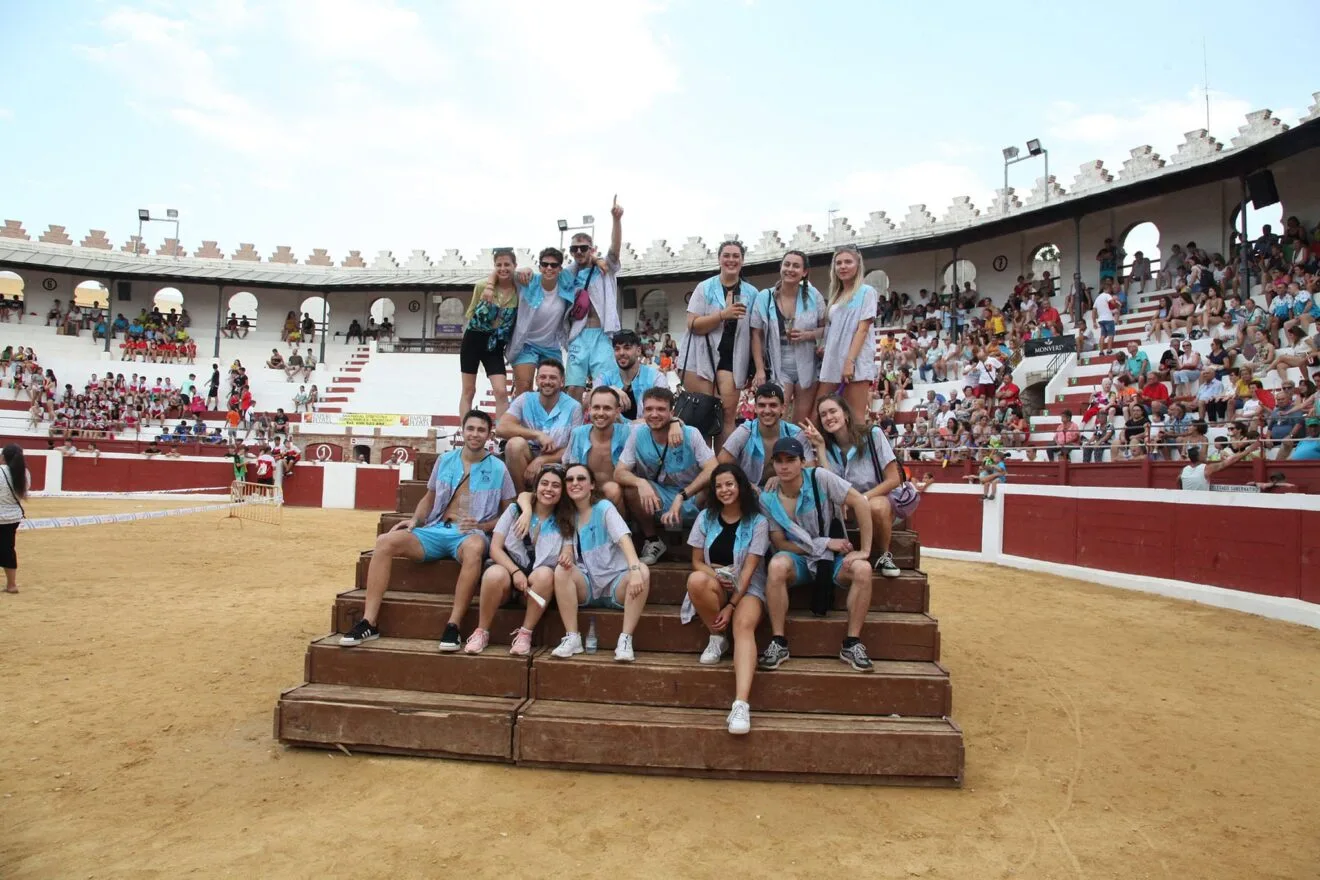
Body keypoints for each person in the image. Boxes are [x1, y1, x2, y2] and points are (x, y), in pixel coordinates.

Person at [339, 411, 515, 651]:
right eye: (470, 428)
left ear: (489, 435)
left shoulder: (498, 468)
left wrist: (483, 527)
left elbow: (509, 511)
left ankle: (453, 625)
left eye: (481, 430)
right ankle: (369, 621)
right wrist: (415, 520)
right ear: (462, 431)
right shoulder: (445, 461)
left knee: (474, 547)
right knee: (384, 541)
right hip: (436, 529)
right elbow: (429, 497)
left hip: (469, 535)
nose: (475, 434)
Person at [757, 436, 875, 672]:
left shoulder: (820, 477)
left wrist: (865, 550)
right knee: (777, 565)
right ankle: (778, 641)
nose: (784, 466)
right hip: (799, 559)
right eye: (779, 461)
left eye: (790, 460)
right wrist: (823, 544)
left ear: (802, 461)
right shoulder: (767, 498)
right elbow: (780, 542)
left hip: (835, 560)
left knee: (863, 568)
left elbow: (860, 502)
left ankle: (852, 643)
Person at [683, 462, 770, 734]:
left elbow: (750, 570)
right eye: (719, 485)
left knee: (743, 626)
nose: (724, 490)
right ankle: (717, 637)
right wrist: (717, 574)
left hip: (749, 586)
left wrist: (732, 605)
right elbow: (696, 562)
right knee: (696, 581)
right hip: (717, 581)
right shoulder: (705, 518)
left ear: (741, 486)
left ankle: (741, 704)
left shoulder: (758, 522)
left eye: (729, 484)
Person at [549, 463, 651, 662]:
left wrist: (635, 569)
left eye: (581, 479)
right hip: (588, 585)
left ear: (592, 485)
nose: (575, 483)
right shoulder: (567, 514)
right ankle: (572, 638)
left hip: (616, 584)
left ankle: (625, 640)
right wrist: (567, 553)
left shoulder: (603, 507)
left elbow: (624, 539)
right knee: (562, 571)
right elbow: (568, 544)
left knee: (643, 571)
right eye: (569, 479)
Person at [466, 464, 570, 655]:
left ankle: (525, 634)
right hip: (509, 574)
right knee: (494, 573)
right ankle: (482, 631)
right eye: (544, 483)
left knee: (546, 574)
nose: (549, 489)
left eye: (556, 485)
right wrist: (515, 572)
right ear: (536, 487)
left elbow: (568, 550)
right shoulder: (516, 510)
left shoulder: (565, 519)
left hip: (537, 588)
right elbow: (495, 548)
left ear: (562, 491)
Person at [800, 393, 904, 577]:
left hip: (878, 500)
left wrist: (860, 499)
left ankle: (884, 555)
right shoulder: (829, 447)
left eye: (833, 411)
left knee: (875, 506)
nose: (828, 417)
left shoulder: (873, 434)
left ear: (846, 414)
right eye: (823, 415)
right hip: (849, 507)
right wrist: (821, 448)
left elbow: (894, 479)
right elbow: (832, 484)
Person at [614, 387, 718, 564]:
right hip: (658, 497)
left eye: (661, 409)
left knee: (715, 485)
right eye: (649, 409)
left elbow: (713, 468)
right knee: (630, 488)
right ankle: (653, 540)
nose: (654, 414)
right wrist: (641, 483)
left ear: (672, 412)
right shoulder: (637, 435)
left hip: (692, 496)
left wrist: (683, 495)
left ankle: (710, 541)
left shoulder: (690, 433)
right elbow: (619, 472)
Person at [678, 240, 759, 441]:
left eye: (736, 256)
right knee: (702, 416)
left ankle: (724, 470)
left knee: (727, 417)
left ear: (742, 260)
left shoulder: (752, 293)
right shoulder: (704, 287)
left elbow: (757, 332)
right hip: (702, 356)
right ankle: (704, 465)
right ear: (719, 259)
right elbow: (693, 324)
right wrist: (722, 315)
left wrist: (758, 368)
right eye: (727, 255)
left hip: (733, 358)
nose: (731, 260)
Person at [750, 250, 825, 424]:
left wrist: (808, 335)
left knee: (801, 422)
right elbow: (756, 334)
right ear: (781, 267)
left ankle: (796, 451)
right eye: (787, 264)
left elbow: (826, 329)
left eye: (796, 266)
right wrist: (760, 369)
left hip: (808, 365)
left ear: (804, 272)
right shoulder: (765, 297)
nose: (790, 269)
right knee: (777, 419)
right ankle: (775, 451)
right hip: (779, 365)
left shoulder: (814, 296)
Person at [562, 198, 625, 401]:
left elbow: (615, 250)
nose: (579, 252)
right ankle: (572, 430)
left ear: (592, 249)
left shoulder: (604, 268)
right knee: (573, 389)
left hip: (601, 333)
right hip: (578, 335)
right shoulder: (568, 275)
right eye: (574, 249)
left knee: (605, 388)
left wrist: (616, 219)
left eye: (583, 248)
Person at [496, 358, 583, 493]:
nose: (547, 382)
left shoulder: (574, 407)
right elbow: (501, 428)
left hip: (557, 463)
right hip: (527, 458)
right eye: (543, 377)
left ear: (562, 382)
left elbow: (574, 447)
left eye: (552, 378)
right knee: (514, 445)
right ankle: (522, 499)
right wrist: (537, 434)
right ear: (536, 380)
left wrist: (542, 460)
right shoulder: (525, 399)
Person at [816, 245, 879, 421]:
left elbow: (863, 328)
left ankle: (858, 449)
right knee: (820, 410)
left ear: (858, 265)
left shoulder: (866, 291)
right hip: (832, 360)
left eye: (848, 262)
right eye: (839, 263)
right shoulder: (837, 295)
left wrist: (849, 361)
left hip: (855, 360)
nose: (843, 266)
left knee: (854, 416)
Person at [460, 248, 519, 418]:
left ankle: (502, 433)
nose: (503, 268)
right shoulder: (481, 287)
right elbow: (471, 314)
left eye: (507, 264)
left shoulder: (519, 290)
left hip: (495, 346)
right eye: (498, 265)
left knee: (501, 391)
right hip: (473, 340)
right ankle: (465, 429)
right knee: (469, 390)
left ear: (515, 265)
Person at [718, 382, 812, 486]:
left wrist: (782, 480)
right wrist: (745, 486)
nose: (767, 411)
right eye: (762, 405)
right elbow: (720, 467)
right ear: (755, 408)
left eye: (773, 405)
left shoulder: (795, 434)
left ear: (783, 408)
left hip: (785, 492)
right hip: (748, 494)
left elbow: (810, 473)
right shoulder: (745, 432)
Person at [592, 329, 667, 421]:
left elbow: (663, 410)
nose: (621, 353)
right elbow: (592, 398)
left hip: (646, 433)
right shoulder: (605, 377)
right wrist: (611, 390)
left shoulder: (656, 377)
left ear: (638, 351)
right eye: (617, 349)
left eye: (627, 348)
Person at [0, 444, 27, 594]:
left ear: (3, 456)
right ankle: (11, 584)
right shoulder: (24, 473)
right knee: (8, 548)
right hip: (13, 516)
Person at [1179, 440, 1260, 489]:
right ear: (1199, 457)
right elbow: (1231, 460)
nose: (1204, 454)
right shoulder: (1206, 468)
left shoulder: (1185, 469)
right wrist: (1249, 450)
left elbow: (1178, 480)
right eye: (1202, 453)